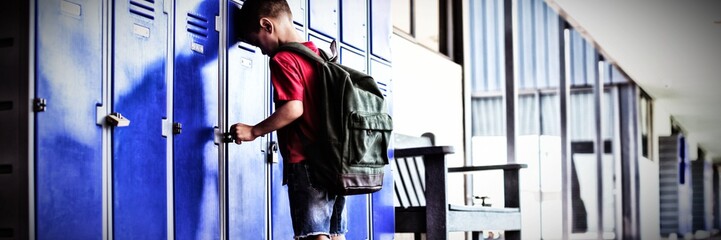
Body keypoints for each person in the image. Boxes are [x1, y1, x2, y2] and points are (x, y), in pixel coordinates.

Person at [229, 1, 347, 239]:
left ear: (266, 25)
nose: (261, 51)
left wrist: (254, 131)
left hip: (305, 162)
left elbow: (294, 108)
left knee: (314, 235)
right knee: (334, 234)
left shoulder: (283, 58)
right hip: (333, 161)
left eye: (257, 42)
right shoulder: (317, 55)